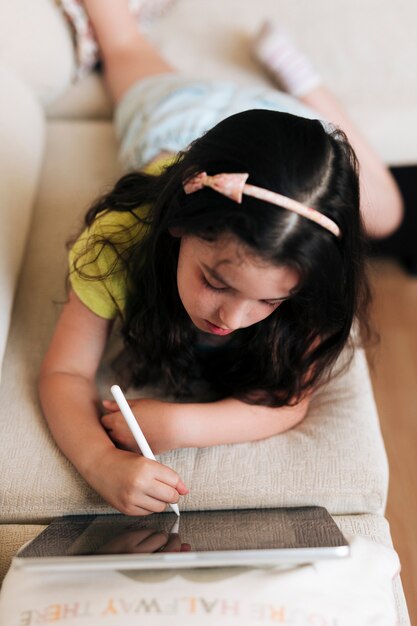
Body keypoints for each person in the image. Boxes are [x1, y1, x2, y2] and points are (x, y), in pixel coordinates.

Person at [39, 0, 398, 517]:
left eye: (270, 300)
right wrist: (100, 463)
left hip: (297, 143)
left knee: (385, 214)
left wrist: (182, 425)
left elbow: (290, 400)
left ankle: (309, 88)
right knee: (122, 44)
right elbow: (64, 374)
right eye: (217, 281)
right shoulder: (121, 238)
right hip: (177, 116)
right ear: (180, 225)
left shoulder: (314, 271)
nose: (230, 318)